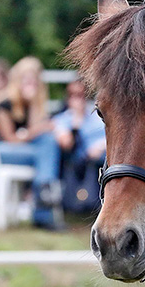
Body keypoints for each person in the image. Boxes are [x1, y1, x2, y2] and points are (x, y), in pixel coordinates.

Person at [0, 56, 63, 230]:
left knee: (48, 142)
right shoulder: (3, 103)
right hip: (2, 151)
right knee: (47, 149)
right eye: (27, 80)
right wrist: (37, 130)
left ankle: (43, 194)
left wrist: (32, 104)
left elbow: (34, 131)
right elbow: (11, 139)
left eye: (34, 81)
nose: (31, 84)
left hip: (30, 151)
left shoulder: (34, 103)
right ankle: (43, 201)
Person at [52, 78, 105, 214]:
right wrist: (76, 123)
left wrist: (101, 146)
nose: (78, 100)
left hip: (106, 155)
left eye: (81, 95)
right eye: (73, 95)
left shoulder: (99, 116)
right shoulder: (62, 120)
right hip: (81, 162)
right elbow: (66, 145)